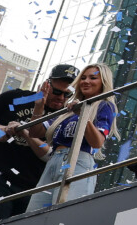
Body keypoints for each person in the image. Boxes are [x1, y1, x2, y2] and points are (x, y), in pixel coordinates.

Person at [0, 63, 78, 222]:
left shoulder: (67, 115)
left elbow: (52, 155)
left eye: (67, 95)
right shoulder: (18, 98)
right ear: (46, 85)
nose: (61, 98)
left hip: (34, 187)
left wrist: (25, 132)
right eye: (57, 92)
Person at [23, 64, 118, 212]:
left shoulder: (104, 105)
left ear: (103, 82)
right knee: (33, 216)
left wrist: (83, 115)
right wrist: (39, 106)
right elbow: (35, 132)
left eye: (93, 78)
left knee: (63, 215)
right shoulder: (68, 110)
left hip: (78, 162)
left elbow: (97, 142)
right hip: (53, 163)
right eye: (83, 78)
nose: (86, 81)